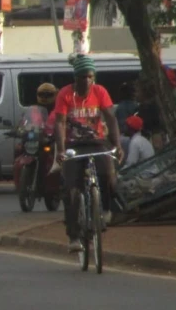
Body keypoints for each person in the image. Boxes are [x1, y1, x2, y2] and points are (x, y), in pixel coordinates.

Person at [53, 54, 124, 252]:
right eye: (83, 77)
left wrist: (117, 144)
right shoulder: (65, 94)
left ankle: (107, 209)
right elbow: (60, 122)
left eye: (90, 77)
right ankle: (74, 236)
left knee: (109, 174)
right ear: (75, 78)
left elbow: (111, 119)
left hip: (97, 142)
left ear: (94, 78)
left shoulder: (100, 92)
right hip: (73, 145)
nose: (86, 81)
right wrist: (60, 150)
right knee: (72, 189)